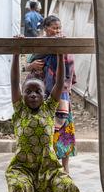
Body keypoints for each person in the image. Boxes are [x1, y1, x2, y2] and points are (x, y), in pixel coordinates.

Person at [7, 50, 86, 192]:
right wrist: (15, 53)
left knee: (68, 186)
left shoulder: (49, 109)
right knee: (19, 186)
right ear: (22, 94)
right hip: (23, 168)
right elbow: (14, 81)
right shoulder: (20, 110)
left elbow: (59, 82)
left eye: (38, 92)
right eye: (28, 91)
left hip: (48, 169)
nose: (33, 95)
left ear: (45, 95)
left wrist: (60, 54)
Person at [26, 15, 77, 171]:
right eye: (54, 28)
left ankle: (65, 168)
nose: (57, 31)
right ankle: (43, 166)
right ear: (45, 29)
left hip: (60, 94)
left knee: (64, 132)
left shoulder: (63, 43)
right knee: (42, 130)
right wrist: (31, 66)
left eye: (59, 28)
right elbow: (27, 64)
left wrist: (60, 51)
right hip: (41, 95)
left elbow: (69, 65)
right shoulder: (39, 44)